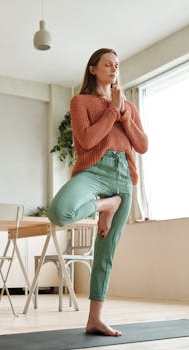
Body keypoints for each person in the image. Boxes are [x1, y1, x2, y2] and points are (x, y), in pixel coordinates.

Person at [48, 48, 148, 337]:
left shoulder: (128, 106)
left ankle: (94, 320)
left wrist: (124, 113)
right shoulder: (80, 101)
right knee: (59, 212)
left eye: (117, 64)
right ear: (93, 69)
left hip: (123, 178)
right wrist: (112, 112)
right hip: (93, 171)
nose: (114, 68)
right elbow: (88, 139)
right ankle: (106, 205)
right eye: (108, 63)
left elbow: (142, 146)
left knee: (105, 253)